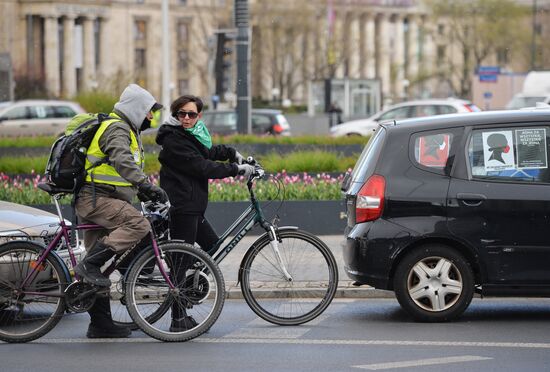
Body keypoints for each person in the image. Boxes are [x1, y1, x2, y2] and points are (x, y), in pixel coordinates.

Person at [74, 83, 168, 339]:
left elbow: (117, 171)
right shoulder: (116, 127)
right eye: (150, 111)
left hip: (102, 200)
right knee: (139, 225)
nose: (151, 117)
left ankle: (100, 325)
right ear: (138, 108)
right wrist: (144, 185)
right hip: (97, 200)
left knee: (100, 268)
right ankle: (88, 265)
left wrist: (139, 191)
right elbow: (121, 160)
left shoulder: (124, 128)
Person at [156, 94, 254, 331]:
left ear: (199, 116)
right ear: (175, 115)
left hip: (194, 206)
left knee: (211, 244)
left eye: (192, 114)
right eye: (182, 114)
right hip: (182, 206)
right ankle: (178, 319)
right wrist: (236, 169)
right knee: (182, 261)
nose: (187, 118)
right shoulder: (173, 140)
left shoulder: (191, 135)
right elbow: (201, 166)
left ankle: (189, 285)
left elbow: (207, 152)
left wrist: (231, 153)